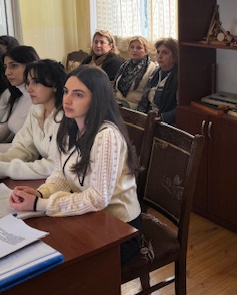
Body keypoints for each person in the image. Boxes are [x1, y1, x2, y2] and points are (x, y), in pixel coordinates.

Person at [9, 65, 141, 263]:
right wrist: (41, 193)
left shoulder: (107, 136)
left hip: (120, 229)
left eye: (78, 95)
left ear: (96, 99)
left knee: (63, 262)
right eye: (66, 91)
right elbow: (60, 174)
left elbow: (98, 199)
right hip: (90, 218)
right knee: (44, 253)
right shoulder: (70, 126)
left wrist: (40, 205)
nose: (67, 100)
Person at [0, 59, 66, 180]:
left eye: (36, 82)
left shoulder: (66, 117)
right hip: (48, 179)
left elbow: (56, 165)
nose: (29, 89)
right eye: (28, 82)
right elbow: (24, 147)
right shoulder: (36, 110)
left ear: (55, 85)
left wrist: (5, 169)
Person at [137, 38, 178, 124]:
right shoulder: (155, 73)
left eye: (165, 53)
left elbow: (180, 108)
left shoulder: (178, 77)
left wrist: (162, 118)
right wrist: (140, 115)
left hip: (165, 122)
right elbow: (144, 100)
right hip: (149, 118)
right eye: (158, 52)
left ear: (174, 57)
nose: (160, 56)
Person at [113, 36, 157, 109]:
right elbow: (115, 87)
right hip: (117, 102)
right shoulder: (125, 65)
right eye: (132, 47)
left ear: (146, 51)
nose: (134, 50)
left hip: (134, 106)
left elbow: (149, 95)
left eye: (139, 48)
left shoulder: (151, 68)